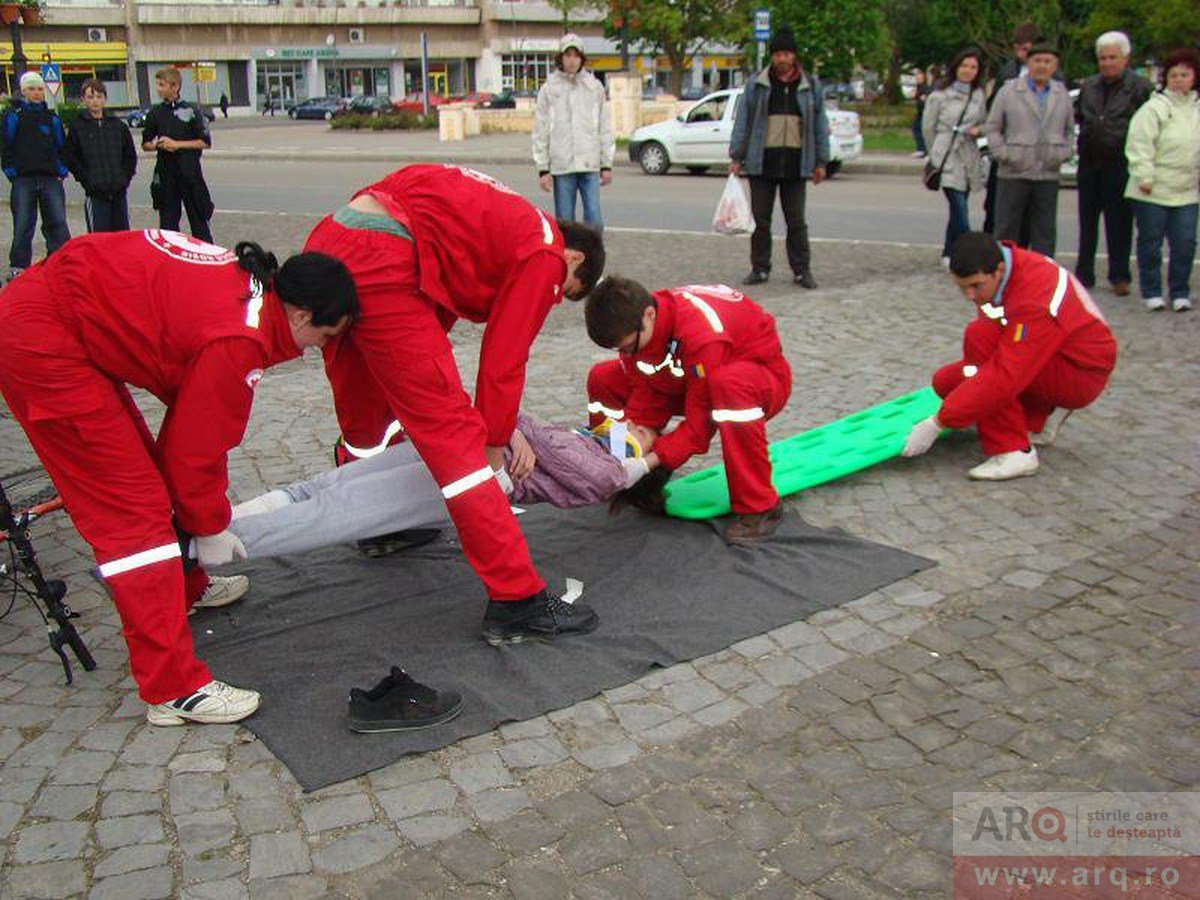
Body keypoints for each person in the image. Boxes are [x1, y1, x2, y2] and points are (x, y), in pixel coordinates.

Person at [0, 231, 358, 724]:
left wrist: (201, 518)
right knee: (134, 513)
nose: (320, 349)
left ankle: (184, 591)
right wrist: (210, 526)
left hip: (62, 316)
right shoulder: (240, 339)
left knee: (147, 475)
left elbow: (187, 430)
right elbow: (195, 453)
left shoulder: (251, 296)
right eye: (325, 336)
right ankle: (171, 688)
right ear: (300, 315)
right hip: (46, 341)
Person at [303, 164, 606, 646]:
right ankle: (517, 598)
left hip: (334, 239)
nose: (551, 300)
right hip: (385, 259)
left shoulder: (498, 212)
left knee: (367, 419)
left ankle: (379, 522)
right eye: (561, 294)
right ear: (571, 259)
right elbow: (504, 359)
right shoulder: (544, 250)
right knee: (456, 441)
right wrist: (494, 443)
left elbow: (438, 280)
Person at [225, 413, 641, 560]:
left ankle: (213, 545)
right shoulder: (585, 440)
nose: (637, 425)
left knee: (334, 509)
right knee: (321, 490)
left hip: (467, 472)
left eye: (642, 432)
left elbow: (602, 479)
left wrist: (516, 429)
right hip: (462, 449)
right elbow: (519, 422)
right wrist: (513, 429)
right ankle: (216, 524)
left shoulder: (603, 465)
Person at [585, 279, 792, 543]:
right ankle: (614, 469)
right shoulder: (638, 326)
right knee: (603, 377)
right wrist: (629, 442)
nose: (625, 353)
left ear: (649, 315)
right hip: (688, 379)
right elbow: (647, 392)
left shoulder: (701, 335)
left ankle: (761, 507)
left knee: (729, 387)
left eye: (627, 347)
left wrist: (650, 462)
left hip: (759, 380)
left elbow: (699, 427)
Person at [902, 232, 1117, 480]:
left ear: (998, 270)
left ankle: (1015, 451)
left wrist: (938, 422)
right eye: (963, 288)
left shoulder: (1035, 300)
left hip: (1079, 373)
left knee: (980, 338)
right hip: (1052, 357)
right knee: (946, 382)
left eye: (975, 286)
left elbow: (1005, 375)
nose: (970, 295)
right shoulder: (1009, 268)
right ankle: (1042, 414)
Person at [729, 27, 830, 290]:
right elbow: (744, 121)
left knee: (796, 221)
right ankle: (760, 267)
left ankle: (801, 270)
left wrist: (821, 161)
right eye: (778, 55)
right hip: (762, 163)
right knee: (760, 221)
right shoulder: (758, 84)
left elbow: (819, 124)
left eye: (786, 54)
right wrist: (737, 156)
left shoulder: (810, 86)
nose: (782, 59)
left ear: (794, 56)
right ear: (772, 57)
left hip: (796, 165)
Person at [1074, 32, 1154, 295]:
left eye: (1112, 57)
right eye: (1102, 58)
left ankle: (1119, 274)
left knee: (1119, 223)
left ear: (1125, 58)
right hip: (1089, 161)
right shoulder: (1089, 86)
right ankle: (1084, 273)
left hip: (1120, 162)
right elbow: (1080, 117)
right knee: (1087, 222)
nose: (1107, 63)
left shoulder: (1141, 87)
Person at [1124, 48, 1199, 312]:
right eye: (1174, 75)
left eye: (1185, 75)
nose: (1179, 79)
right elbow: (1139, 144)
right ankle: (1152, 291)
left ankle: (1180, 292)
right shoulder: (1154, 108)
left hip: (1187, 190)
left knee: (1185, 242)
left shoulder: (1197, 110)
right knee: (1150, 242)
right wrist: (1144, 175)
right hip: (1152, 188)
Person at [985, 42, 1074, 256]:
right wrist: (1003, 154)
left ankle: (1043, 277)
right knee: (1006, 229)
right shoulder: (1009, 90)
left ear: (1054, 66)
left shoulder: (1061, 93)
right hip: (1013, 171)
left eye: (1047, 61)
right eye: (1037, 61)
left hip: (1047, 173)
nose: (1042, 66)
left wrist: (1062, 154)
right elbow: (993, 126)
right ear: (1028, 63)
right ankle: (1006, 273)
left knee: (1045, 232)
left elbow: (1069, 130)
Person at [532, 33, 614, 233]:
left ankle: (593, 260)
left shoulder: (594, 87)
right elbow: (540, 129)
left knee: (594, 220)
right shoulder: (549, 89)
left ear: (581, 58)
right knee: (564, 222)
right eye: (567, 55)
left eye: (576, 55)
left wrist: (606, 164)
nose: (571, 60)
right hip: (562, 165)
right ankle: (566, 260)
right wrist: (543, 168)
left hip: (589, 162)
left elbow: (604, 126)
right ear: (560, 58)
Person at [1, 72, 70, 282]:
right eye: (32, 89)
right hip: (24, 179)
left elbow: (62, 146)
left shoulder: (52, 118)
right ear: (23, 91)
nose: (37, 93)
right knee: (23, 224)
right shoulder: (14, 115)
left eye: (40, 89)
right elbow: (5, 145)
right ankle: (19, 266)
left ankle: (59, 264)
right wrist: (12, 172)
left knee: (57, 222)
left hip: (50, 179)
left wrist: (61, 170)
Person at [923, 48, 988, 268]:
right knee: (959, 206)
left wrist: (979, 130)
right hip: (946, 154)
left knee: (959, 206)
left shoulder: (978, 95)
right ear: (956, 67)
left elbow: (986, 122)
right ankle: (969, 252)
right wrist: (936, 153)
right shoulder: (939, 95)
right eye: (964, 66)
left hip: (968, 154)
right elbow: (928, 128)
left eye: (973, 67)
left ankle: (949, 251)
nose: (968, 71)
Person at [143, 67, 214, 243]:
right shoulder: (155, 113)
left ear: (175, 87)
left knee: (199, 222)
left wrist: (177, 145)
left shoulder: (191, 111)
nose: (158, 89)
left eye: (162, 85)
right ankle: (171, 262)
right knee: (168, 226)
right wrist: (158, 145)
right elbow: (145, 144)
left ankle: (206, 259)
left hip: (190, 175)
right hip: (166, 176)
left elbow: (205, 141)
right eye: (157, 84)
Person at [983, 22, 1041, 235]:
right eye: (1018, 48)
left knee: (1029, 215)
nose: (1022, 53)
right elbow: (993, 112)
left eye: (1026, 49)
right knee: (996, 209)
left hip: (1035, 155)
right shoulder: (1007, 72)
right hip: (1007, 151)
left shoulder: (1050, 75)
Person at [63, 79, 138, 233]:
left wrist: (124, 179)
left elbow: (130, 156)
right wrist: (86, 179)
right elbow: (71, 157)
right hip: (95, 193)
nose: (95, 101)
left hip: (119, 192)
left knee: (122, 236)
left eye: (99, 97)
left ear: (104, 99)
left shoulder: (118, 126)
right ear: (83, 99)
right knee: (98, 238)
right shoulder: (77, 126)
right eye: (90, 97)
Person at [911, 69, 931, 158]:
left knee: (921, 130)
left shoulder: (925, 88)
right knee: (916, 128)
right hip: (920, 112)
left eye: (919, 78)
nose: (918, 79)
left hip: (924, 112)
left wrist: (922, 98)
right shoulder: (919, 87)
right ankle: (921, 149)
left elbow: (925, 98)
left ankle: (924, 150)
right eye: (917, 78)